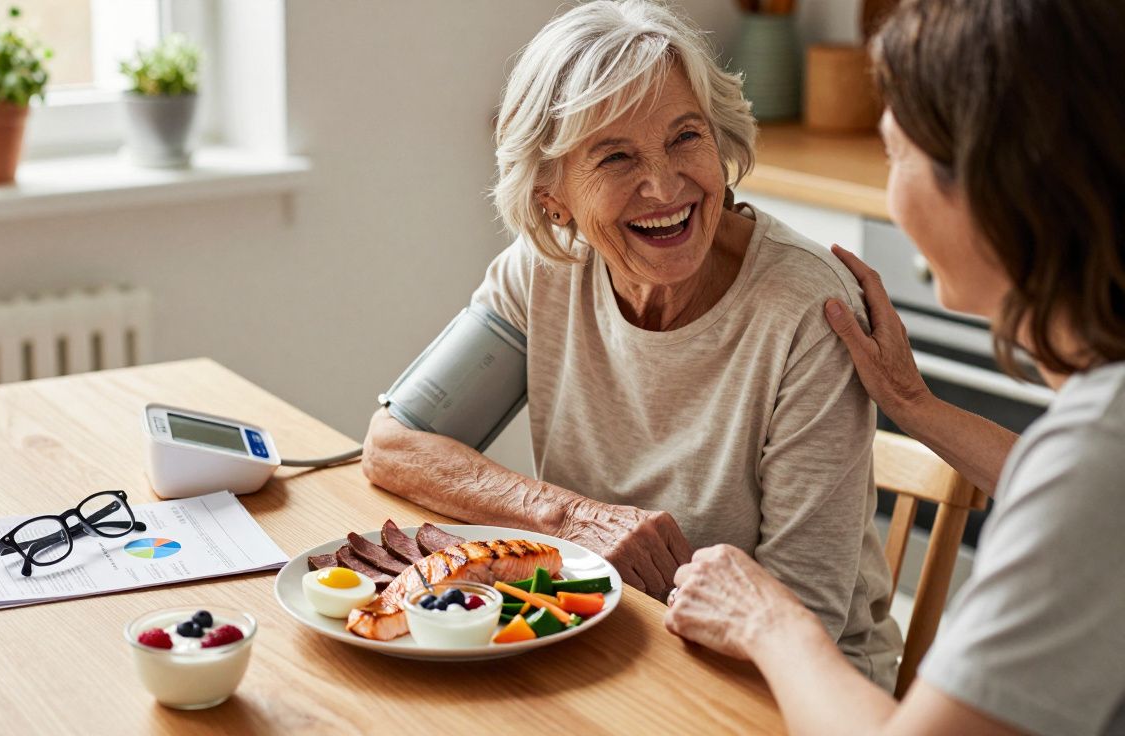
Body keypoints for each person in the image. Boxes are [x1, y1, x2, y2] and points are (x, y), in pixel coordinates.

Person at [363, 0, 902, 688]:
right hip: (605, 647)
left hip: (783, 689)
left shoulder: (807, 310)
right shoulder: (543, 273)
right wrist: (573, 518)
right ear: (551, 193)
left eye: (685, 138)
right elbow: (394, 444)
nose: (665, 185)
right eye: (616, 156)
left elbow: (807, 617)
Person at [663, 0, 1125, 733]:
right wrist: (913, 404)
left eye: (894, 154)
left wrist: (768, 621)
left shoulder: (1100, 455)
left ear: (996, 178)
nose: (889, 191)